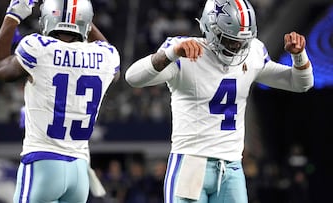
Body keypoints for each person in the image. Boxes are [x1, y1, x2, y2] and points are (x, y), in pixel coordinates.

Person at [124, 0, 314, 202]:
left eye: (243, 40)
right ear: (210, 28)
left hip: (232, 167)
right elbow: (133, 78)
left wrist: (299, 56)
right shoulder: (186, 52)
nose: (238, 46)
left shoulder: (253, 53)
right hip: (191, 164)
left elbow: (300, 83)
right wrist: (170, 54)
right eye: (231, 40)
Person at [0, 0, 120, 202]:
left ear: (48, 18)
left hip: (42, 162)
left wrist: (12, 17)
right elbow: (110, 60)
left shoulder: (38, 47)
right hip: (79, 170)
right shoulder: (106, 55)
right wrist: (81, 18)